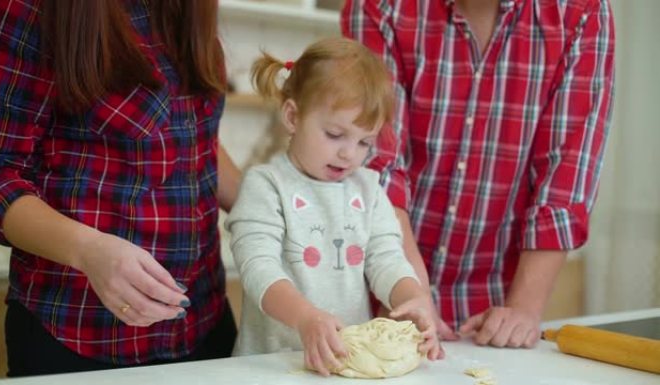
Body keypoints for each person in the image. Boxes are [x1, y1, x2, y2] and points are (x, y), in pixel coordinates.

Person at [0, 0, 240, 377]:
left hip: (202, 320)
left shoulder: (192, 9)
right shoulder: (32, 8)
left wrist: (275, 207)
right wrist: (88, 250)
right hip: (79, 332)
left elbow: (196, 140)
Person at [342, 0, 615, 348]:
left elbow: (566, 176)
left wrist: (523, 309)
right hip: (376, 291)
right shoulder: (378, 6)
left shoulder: (581, 11)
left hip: (493, 312)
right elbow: (378, 164)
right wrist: (410, 293)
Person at [224, 37, 441, 376]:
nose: (349, 153)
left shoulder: (369, 189)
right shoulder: (266, 186)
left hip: (345, 364)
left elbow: (386, 258)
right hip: (270, 366)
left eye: (364, 142)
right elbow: (258, 270)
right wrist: (305, 318)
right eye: (335, 134)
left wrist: (412, 297)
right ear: (293, 116)